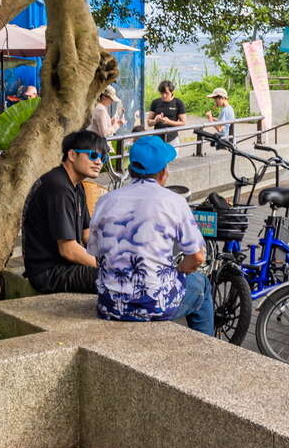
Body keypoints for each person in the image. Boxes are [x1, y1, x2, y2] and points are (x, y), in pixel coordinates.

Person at [85, 134, 214, 332]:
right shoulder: (174, 201)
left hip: (110, 305)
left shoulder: (105, 201)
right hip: (156, 306)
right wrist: (180, 270)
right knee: (200, 283)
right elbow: (197, 257)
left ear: (130, 169)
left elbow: (96, 256)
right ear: (163, 173)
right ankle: (206, 347)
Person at [20, 129, 108, 294]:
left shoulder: (76, 186)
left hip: (64, 266)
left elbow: (87, 234)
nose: (98, 162)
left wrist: (114, 254)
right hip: (48, 273)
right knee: (117, 279)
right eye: (93, 155)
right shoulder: (57, 187)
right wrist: (106, 266)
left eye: (103, 158)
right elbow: (68, 250)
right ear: (72, 155)